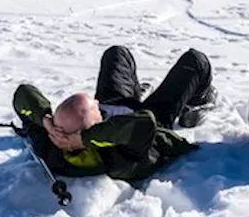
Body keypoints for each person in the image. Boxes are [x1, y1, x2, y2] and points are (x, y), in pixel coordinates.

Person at [11, 46, 217, 181]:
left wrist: (45, 120)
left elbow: (23, 93)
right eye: (96, 108)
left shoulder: (50, 142)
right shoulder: (117, 157)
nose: (97, 102)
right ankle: (196, 104)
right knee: (195, 61)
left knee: (116, 53)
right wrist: (84, 139)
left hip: (116, 107)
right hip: (152, 120)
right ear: (93, 127)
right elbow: (144, 123)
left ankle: (134, 93)